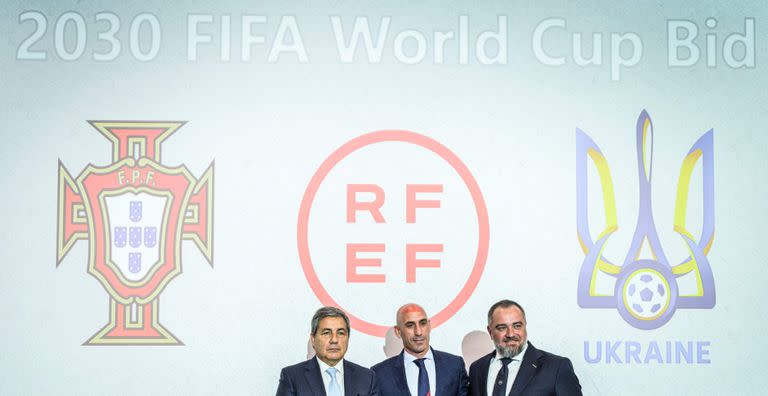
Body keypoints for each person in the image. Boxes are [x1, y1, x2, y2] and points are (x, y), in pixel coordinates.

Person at [468, 300, 582, 396]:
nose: (511, 334)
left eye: (517, 326)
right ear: (490, 331)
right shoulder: (477, 368)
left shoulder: (556, 367)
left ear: (525, 326)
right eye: (502, 328)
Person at [276, 306, 379, 396]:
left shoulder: (367, 378)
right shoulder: (292, 377)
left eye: (341, 333)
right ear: (313, 339)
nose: (334, 340)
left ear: (348, 337)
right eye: (326, 333)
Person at [372, 303, 469, 396]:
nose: (418, 332)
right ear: (398, 331)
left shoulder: (455, 366)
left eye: (423, 323)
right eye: (410, 325)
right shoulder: (379, 373)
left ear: (429, 326)